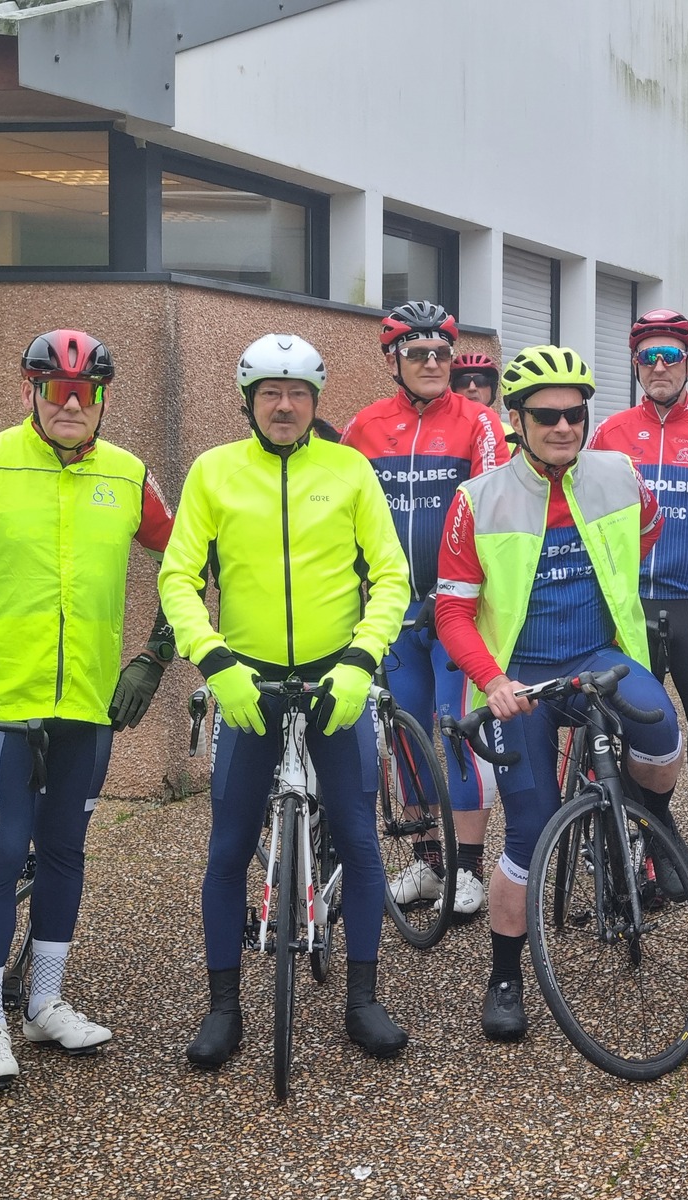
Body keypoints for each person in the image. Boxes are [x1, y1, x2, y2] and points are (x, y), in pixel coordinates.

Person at [0, 329, 174, 1086]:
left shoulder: (129, 474)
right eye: (55, 390)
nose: (70, 404)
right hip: (2, 702)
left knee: (65, 852)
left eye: (85, 392)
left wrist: (154, 657)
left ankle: (45, 1002)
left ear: (102, 399)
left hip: (89, 705)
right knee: (0, 858)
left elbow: (188, 562)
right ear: (30, 392)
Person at [160, 333, 412, 1067]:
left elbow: (390, 577)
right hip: (248, 681)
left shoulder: (349, 469)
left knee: (360, 842)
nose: (284, 405)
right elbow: (178, 578)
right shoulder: (214, 472)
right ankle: (223, 1008)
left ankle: (363, 1001)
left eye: (298, 393)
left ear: (314, 402)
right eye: (270, 392)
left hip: (337, 680)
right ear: (248, 401)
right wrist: (215, 662)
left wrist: (362, 660)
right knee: (229, 847)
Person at [435, 345, 683, 1042]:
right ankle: (505, 977)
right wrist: (493, 681)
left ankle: (647, 827)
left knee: (663, 735)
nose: (565, 426)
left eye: (576, 414)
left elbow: (649, 531)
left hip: (600, 656)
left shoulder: (620, 474)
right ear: (517, 421)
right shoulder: (477, 500)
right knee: (531, 828)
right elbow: (452, 611)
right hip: (522, 676)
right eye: (547, 416)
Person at [344, 302, 508, 918]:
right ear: (393, 359)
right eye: (419, 353)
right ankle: (428, 860)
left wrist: (468, 590)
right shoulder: (365, 427)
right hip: (393, 608)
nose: (434, 363)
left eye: (442, 352)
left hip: (457, 607)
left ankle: (470, 867)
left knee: (458, 730)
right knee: (405, 731)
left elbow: (493, 511)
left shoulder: (479, 422)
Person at [588, 309, 688, 851]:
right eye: (648, 356)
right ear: (635, 364)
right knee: (631, 727)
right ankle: (647, 839)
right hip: (627, 603)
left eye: (670, 355)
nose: (659, 366)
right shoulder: (610, 433)